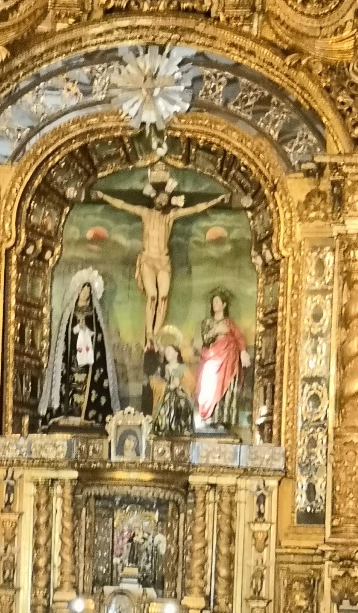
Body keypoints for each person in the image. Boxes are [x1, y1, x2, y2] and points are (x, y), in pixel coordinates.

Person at [95, 164, 227, 346]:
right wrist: (103, 196)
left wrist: (217, 200)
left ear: (167, 202)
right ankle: (149, 334)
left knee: (163, 297)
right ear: (155, 198)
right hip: (148, 260)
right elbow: (123, 205)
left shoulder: (170, 216)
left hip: (163, 261)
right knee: (152, 296)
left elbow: (196, 209)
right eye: (160, 197)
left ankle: (156, 336)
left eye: (165, 199)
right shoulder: (145, 213)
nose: (162, 200)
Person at [39, 268, 121, 427]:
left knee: (89, 385)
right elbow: (64, 338)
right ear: (78, 291)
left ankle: (89, 415)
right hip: (72, 358)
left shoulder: (94, 314)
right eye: (83, 290)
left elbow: (99, 338)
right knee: (71, 383)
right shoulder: (69, 314)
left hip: (90, 361)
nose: (85, 293)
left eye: (88, 290)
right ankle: (68, 412)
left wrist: (87, 332)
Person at [194, 289, 249, 430]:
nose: (215, 304)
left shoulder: (229, 323)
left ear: (224, 305)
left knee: (227, 388)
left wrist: (243, 352)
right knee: (210, 386)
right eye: (213, 302)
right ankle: (209, 417)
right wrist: (217, 331)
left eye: (218, 301)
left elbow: (239, 337)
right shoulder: (207, 322)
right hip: (212, 357)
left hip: (228, 358)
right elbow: (206, 337)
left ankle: (223, 420)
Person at [151, 324, 194, 435]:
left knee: (182, 403)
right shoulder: (162, 368)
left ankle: (183, 428)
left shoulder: (183, 368)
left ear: (176, 353)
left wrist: (180, 385)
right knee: (165, 405)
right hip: (165, 393)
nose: (167, 354)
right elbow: (153, 381)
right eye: (166, 352)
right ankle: (163, 428)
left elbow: (192, 383)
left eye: (170, 351)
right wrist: (165, 386)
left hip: (180, 393)